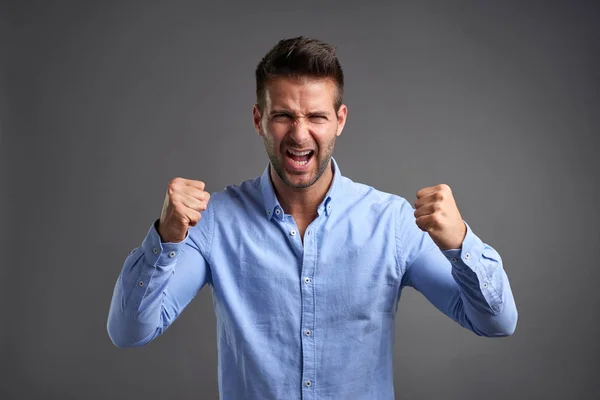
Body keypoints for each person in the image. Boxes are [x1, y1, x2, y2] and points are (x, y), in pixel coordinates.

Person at [107, 36, 518, 399]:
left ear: (339, 121)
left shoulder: (391, 224)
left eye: (316, 117)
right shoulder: (214, 222)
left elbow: (496, 321)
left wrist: (461, 242)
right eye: (284, 115)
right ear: (259, 120)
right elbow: (130, 332)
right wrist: (165, 238)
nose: (300, 135)